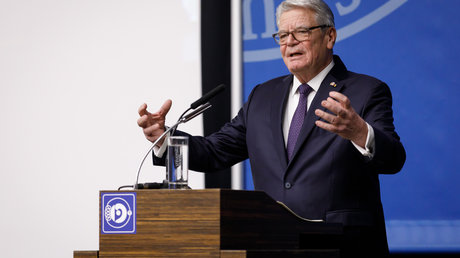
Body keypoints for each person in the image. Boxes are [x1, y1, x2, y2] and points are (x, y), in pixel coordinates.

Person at [137, 0, 405, 256]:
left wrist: (359, 132)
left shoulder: (366, 91)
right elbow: (215, 151)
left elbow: (394, 158)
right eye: (283, 35)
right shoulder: (263, 96)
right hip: (271, 243)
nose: (290, 42)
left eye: (301, 32)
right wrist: (164, 138)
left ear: (329, 36)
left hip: (342, 246)